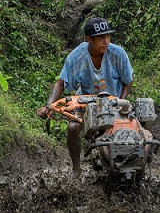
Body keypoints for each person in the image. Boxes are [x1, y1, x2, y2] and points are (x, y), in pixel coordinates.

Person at [37, 17, 133, 178]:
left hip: (113, 101)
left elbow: (128, 82)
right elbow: (61, 83)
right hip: (85, 101)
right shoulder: (77, 57)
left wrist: (120, 102)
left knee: (126, 128)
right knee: (73, 127)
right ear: (89, 39)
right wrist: (48, 105)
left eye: (108, 36)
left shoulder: (118, 54)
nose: (106, 41)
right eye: (101, 38)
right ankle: (76, 168)